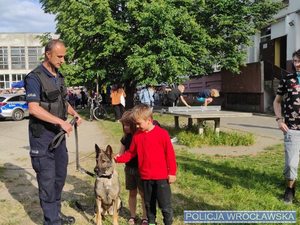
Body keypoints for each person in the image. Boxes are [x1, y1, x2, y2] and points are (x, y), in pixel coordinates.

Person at [24, 39, 82, 225]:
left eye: (64, 56)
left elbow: (62, 103)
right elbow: (33, 108)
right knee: (47, 181)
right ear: (48, 54)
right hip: (42, 138)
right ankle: (51, 221)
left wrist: (74, 113)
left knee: (59, 178)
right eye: (59, 56)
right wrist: (60, 122)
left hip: (58, 138)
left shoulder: (58, 76)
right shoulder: (34, 77)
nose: (63, 60)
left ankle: (56, 214)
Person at [115, 104, 177, 225]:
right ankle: (151, 222)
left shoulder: (162, 134)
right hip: (146, 177)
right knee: (149, 204)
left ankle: (168, 222)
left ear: (149, 120)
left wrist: (172, 173)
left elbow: (170, 155)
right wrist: (119, 159)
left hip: (161, 178)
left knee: (165, 205)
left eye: (138, 124)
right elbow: (131, 153)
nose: (136, 127)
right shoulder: (137, 136)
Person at [273, 49, 300, 204]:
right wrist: (279, 120)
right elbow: (277, 101)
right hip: (291, 128)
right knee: (291, 163)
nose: (296, 64)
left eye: (299, 61)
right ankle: (290, 190)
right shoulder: (287, 79)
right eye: (295, 61)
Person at [119, 111, 148, 225]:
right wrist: (116, 157)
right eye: (124, 125)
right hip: (129, 170)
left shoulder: (140, 136)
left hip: (141, 170)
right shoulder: (125, 138)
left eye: (128, 125)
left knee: (143, 194)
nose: (125, 127)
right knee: (132, 193)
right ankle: (133, 215)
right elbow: (120, 153)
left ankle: (145, 217)